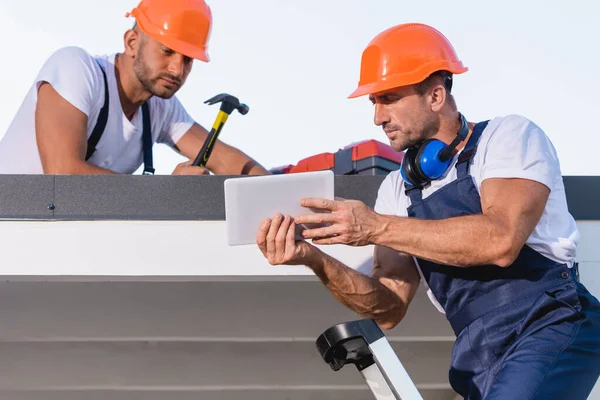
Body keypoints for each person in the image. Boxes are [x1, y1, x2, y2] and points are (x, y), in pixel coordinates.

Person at [256, 23, 600, 399]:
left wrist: (376, 228)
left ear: (436, 95)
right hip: (476, 355)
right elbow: (387, 307)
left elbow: (501, 239)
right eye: (373, 102)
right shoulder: (396, 191)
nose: (377, 117)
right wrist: (313, 258)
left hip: (548, 323)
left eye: (388, 98)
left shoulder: (509, 137)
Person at [0, 0, 268, 176]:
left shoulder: (161, 109)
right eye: (167, 51)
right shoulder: (77, 68)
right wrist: (162, 193)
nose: (177, 69)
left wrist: (281, 196)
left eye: (188, 59)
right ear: (131, 42)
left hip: (60, 247)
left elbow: (228, 164)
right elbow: (62, 174)